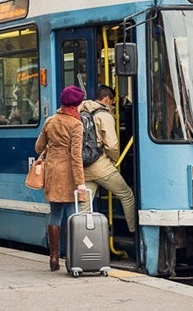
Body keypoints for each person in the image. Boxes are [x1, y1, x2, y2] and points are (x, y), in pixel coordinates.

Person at [34, 85, 90, 271]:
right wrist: (81, 183)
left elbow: (38, 147)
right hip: (69, 175)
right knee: (73, 215)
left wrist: (53, 147)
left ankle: (53, 257)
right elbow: (76, 156)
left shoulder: (50, 121)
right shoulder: (76, 124)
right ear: (75, 105)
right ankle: (72, 259)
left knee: (55, 214)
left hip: (52, 173)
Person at [81, 84, 138, 234]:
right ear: (106, 98)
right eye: (112, 101)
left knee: (85, 207)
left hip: (84, 165)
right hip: (101, 166)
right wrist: (115, 160)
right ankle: (134, 231)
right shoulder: (104, 115)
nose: (113, 104)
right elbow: (112, 145)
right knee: (127, 194)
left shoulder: (83, 111)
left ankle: (82, 238)